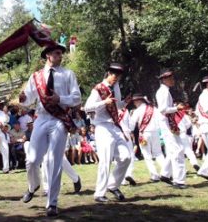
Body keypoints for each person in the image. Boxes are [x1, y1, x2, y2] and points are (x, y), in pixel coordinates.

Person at [19, 43, 81, 217]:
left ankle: (52, 203)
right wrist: (23, 98)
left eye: (61, 53)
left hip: (59, 119)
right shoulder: (36, 76)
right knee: (31, 159)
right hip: (41, 118)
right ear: (48, 55)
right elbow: (28, 98)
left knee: (54, 160)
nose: (60, 56)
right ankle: (33, 186)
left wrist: (60, 98)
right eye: (57, 53)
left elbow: (76, 97)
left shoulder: (68, 74)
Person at [84, 63, 131, 202]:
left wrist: (124, 102)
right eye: (114, 74)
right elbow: (87, 108)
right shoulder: (98, 89)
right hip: (102, 127)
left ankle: (113, 185)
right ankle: (99, 193)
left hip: (115, 127)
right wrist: (104, 102)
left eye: (119, 75)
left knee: (126, 157)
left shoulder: (116, 87)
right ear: (108, 74)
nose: (116, 77)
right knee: (105, 161)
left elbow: (117, 106)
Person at [155, 69, 188, 188]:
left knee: (172, 150)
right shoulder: (163, 92)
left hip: (169, 122)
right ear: (163, 80)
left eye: (172, 78)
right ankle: (179, 180)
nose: (172, 80)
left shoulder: (165, 91)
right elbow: (163, 110)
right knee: (177, 150)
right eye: (169, 78)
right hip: (167, 123)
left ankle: (165, 174)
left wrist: (174, 108)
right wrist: (176, 108)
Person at [130, 93, 165, 182]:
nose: (134, 103)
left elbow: (131, 125)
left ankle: (155, 176)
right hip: (156, 133)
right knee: (158, 154)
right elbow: (161, 118)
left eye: (134, 101)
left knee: (147, 155)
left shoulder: (137, 111)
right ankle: (166, 172)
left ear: (138, 101)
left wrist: (129, 131)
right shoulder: (154, 109)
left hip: (144, 134)